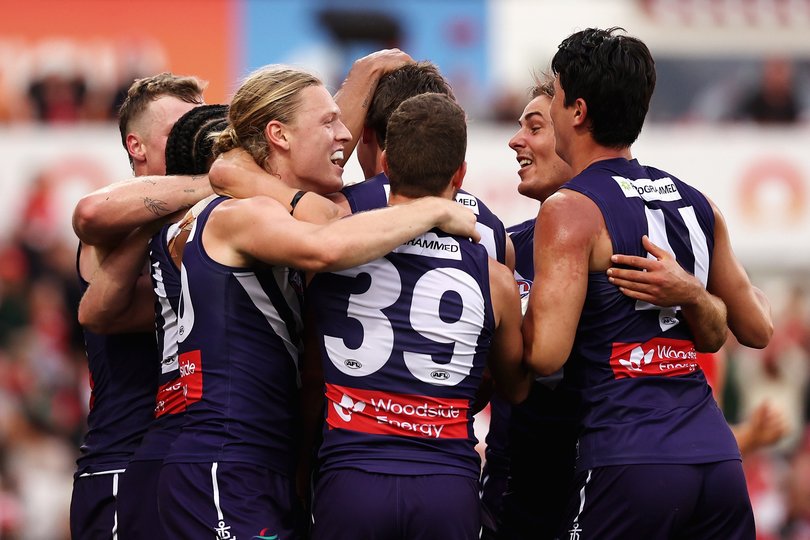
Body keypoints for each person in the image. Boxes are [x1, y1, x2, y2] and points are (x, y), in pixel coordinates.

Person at [156, 67, 480, 539]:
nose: (345, 135)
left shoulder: (261, 206)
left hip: (253, 457)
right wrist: (429, 208)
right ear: (278, 135)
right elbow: (326, 245)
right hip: (226, 457)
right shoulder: (243, 212)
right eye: (328, 122)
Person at [523, 27, 774, 539]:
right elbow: (759, 327)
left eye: (554, 93)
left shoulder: (569, 208)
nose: (548, 107)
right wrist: (696, 296)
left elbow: (545, 354)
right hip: (717, 459)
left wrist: (501, 300)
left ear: (577, 111)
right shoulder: (697, 202)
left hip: (629, 458)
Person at [305, 92, 530, 540]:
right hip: (445, 483)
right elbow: (517, 387)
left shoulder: (327, 252)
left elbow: (308, 369)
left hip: (351, 477)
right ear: (460, 176)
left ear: (384, 163)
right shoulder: (496, 280)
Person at [77, 104, 229, 540]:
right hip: (121, 461)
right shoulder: (116, 227)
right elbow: (90, 216)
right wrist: (221, 179)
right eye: (179, 129)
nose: (200, 138)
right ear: (136, 146)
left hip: (194, 453)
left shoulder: (209, 220)